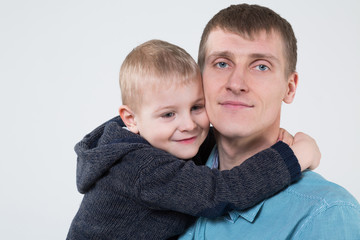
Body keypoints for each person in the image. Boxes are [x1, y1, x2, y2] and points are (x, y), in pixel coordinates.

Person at [67, 39, 320, 239]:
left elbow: (209, 138)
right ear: (131, 119)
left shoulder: (160, 138)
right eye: (168, 114)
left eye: (197, 107)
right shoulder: (140, 168)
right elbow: (222, 191)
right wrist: (296, 156)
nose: (188, 125)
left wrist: (262, 136)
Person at [179, 4, 360, 240]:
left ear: (290, 87)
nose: (236, 83)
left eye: (261, 66)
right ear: (198, 78)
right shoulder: (163, 177)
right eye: (222, 63)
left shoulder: (326, 213)